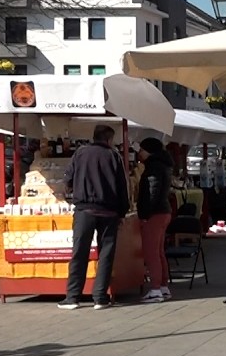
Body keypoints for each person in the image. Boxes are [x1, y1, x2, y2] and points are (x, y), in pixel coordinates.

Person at [59, 124, 130, 310]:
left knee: (79, 253)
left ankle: (72, 297)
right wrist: (123, 212)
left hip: (84, 210)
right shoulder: (114, 156)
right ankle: (100, 297)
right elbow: (122, 187)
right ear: (109, 139)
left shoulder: (80, 153)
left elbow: (67, 180)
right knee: (106, 254)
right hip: (109, 212)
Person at [135, 137, 173, 304]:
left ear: (149, 151)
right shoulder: (163, 165)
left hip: (154, 214)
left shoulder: (153, 167)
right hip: (163, 211)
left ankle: (156, 289)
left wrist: (144, 214)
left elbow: (152, 192)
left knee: (151, 252)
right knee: (158, 251)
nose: (139, 153)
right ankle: (163, 286)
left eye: (142, 150)